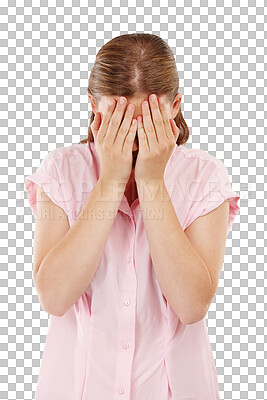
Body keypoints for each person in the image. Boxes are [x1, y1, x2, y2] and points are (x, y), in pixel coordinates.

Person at [25, 33, 240, 400]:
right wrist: (110, 181)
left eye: (146, 120)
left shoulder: (206, 177)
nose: (134, 135)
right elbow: (54, 297)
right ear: (94, 106)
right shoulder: (61, 171)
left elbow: (191, 306)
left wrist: (152, 183)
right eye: (121, 120)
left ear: (174, 107)